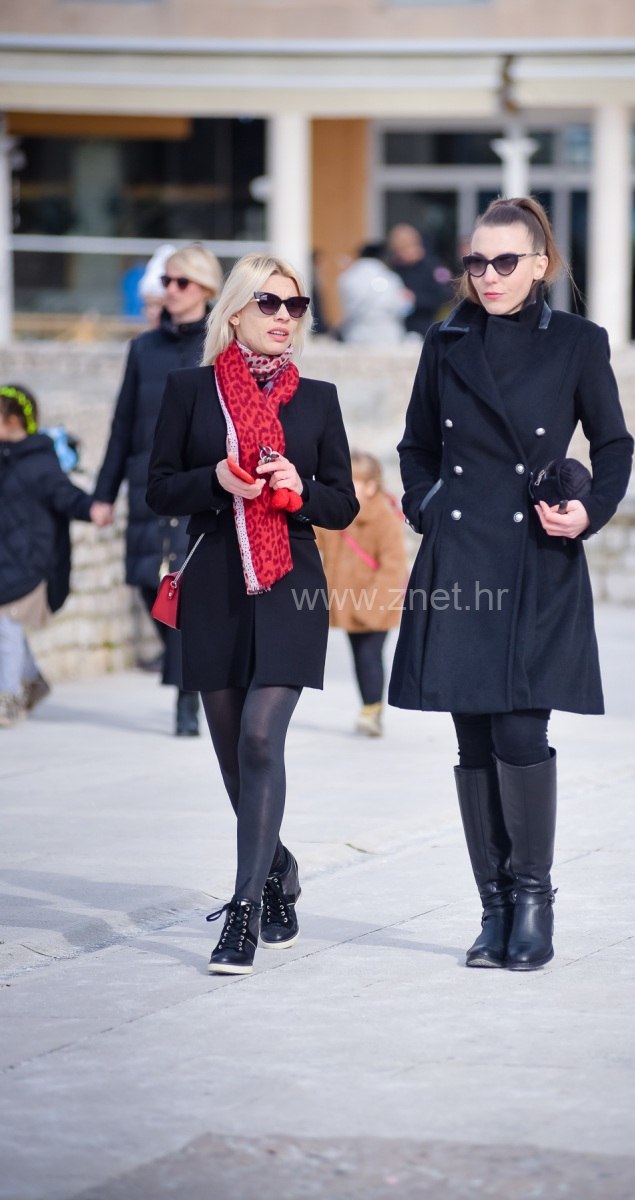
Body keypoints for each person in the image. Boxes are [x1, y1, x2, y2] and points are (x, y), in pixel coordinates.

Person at [388, 196, 634, 971]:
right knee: (471, 738)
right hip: (460, 558)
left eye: (503, 262)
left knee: (520, 734)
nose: (487, 275)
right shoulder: (445, 340)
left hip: (536, 558)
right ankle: (492, 910)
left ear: (539, 265)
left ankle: (532, 902)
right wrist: (428, 506)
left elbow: (614, 444)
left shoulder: (578, 343)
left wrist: (588, 511)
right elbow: (415, 446)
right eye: (475, 261)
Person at [146, 251, 358, 975]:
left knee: (262, 739)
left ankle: (242, 911)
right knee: (234, 757)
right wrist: (214, 479)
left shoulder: (319, 399)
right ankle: (278, 869)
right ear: (234, 312)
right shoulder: (189, 390)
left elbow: (343, 505)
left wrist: (299, 487)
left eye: (295, 305)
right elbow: (159, 489)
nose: (284, 317)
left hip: (292, 582)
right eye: (269, 303)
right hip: (214, 585)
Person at [91, 243, 223, 736]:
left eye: (180, 281)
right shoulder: (143, 348)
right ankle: (186, 673)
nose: (170, 290)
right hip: (149, 483)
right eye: (166, 281)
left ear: (205, 288)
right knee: (151, 583)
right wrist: (103, 494)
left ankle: (187, 700)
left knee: (190, 588)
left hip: (200, 484)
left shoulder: (220, 345)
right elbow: (122, 424)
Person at [0, 384, 104, 729]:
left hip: (33, 565)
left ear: (12, 420)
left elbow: (67, 496)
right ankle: (33, 681)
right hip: (6, 562)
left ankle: (7, 699)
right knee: (5, 626)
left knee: (6, 624)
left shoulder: (42, 463)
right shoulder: (4, 458)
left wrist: (93, 509)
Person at [315, 450, 408, 737]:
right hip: (349, 602)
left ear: (370, 486)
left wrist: (371, 606)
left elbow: (393, 567)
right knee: (359, 655)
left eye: (351, 481)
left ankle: (372, 711)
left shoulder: (384, 519)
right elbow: (314, 537)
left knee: (370, 655)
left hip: (376, 604)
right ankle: (369, 706)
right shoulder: (338, 514)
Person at [337, 242, 413, 345]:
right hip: (388, 335)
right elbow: (403, 307)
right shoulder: (390, 277)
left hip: (355, 335)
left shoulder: (347, 277)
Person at [387, 223, 453, 339]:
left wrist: (415, 299)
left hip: (425, 327)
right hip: (398, 328)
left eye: (405, 249)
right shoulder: (395, 267)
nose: (401, 255)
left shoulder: (433, 267)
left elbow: (445, 295)